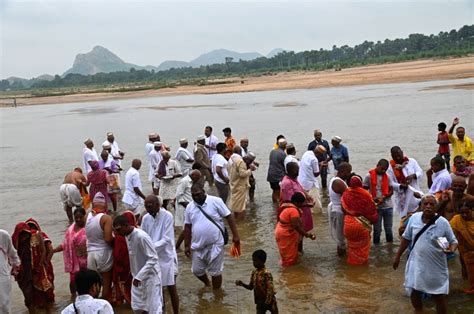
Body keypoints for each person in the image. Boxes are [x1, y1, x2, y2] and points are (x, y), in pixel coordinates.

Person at [393, 194, 458, 314]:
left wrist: (451, 249)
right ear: (421, 206)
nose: (428, 206)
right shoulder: (414, 218)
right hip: (416, 263)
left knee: (438, 295)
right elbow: (406, 238)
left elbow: (453, 241)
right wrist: (397, 256)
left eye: (431, 204)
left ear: (436, 206)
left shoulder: (443, 222)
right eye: (425, 204)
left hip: (436, 265)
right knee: (415, 290)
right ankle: (419, 311)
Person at [184, 184, 240, 289]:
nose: (196, 197)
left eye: (198, 194)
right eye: (193, 195)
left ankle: (217, 294)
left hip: (216, 243)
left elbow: (229, 216)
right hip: (198, 245)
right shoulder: (189, 207)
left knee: (215, 272)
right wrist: (187, 245)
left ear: (203, 191)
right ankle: (207, 283)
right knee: (197, 270)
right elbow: (187, 226)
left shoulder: (216, 201)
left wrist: (235, 235)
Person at [113, 215, 163, 314]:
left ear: (126, 225)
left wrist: (139, 276)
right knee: (137, 307)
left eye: (119, 230)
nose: (117, 233)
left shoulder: (141, 236)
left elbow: (153, 258)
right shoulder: (127, 236)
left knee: (154, 309)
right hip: (136, 277)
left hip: (150, 277)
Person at [142, 195, 179, 314]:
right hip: (152, 257)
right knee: (158, 289)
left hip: (166, 256)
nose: (148, 208)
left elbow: (167, 239)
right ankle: (161, 311)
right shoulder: (145, 218)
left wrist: (150, 247)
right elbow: (143, 237)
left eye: (150, 205)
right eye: (146, 206)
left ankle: (176, 312)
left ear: (158, 205)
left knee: (171, 287)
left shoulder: (167, 216)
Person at [12, 222, 55, 310]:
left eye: (26, 235)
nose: (24, 238)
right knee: (29, 296)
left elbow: (47, 251)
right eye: (22, 236)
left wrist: (42, 264)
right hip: (25, 272)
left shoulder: (37, 236)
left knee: (44, 292)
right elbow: (12, 257)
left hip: (38, 268)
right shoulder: (15, 242)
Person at [341, 176, 378, 265]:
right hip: (361, 225)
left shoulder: (345, 193)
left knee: (352, 248)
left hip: (348, 224)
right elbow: (371, 209)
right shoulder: (365, 194)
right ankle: (361, 270)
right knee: (363, 249)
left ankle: (352, 268)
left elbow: (343, 208)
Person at [280, 162, 314, 252]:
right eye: (297, 170)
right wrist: (306, 204)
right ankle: (297, 254)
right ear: (292, 171)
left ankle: (300, 253)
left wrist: (308, 196)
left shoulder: (293, 179)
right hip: (295, 212)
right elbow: (290, 202)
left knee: (300, 235)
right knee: (297, 233)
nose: (298, 172)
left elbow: (300, 188)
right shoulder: (286, 183)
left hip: (301, 210)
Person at [53, 208, 88, 297]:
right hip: (73, 263)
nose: (78, 219)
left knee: (86, 283)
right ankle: (73, 298)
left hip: (86, 262)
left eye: (80, 217)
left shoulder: (88, 228)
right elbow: (65, 244)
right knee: (73, 282)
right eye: (76, 217)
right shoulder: (70, 230)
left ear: (85, 216)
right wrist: (53, 251)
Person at [85, 192, 114, 301]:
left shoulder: (87, 216)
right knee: (106, 282)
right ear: (105, 205)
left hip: (90, 254)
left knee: (94, 285)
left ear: (93, 204)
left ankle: (93, 305)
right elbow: (108, 239)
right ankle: (104, 305)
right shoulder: (106, 218)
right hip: (103, 253)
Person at [275, 192, 316, 267]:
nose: (302, 205)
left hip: (280, 230)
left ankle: (286, 272)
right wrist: (308, 235)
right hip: (285, 234)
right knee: (289, 257)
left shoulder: (288, 205)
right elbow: (296, 227)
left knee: (286, 254)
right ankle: (289, 273)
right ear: (296, 202)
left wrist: (307, 205)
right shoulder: (294, 211)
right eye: (301, 203)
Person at [235, 249, 278, 314]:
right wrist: (242, 284)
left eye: (256, 261)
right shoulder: (254, 273)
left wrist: (267, 303)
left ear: (263, 261)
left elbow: (270, 289)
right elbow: (250, 287)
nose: (254, 263)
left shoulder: (267, 273)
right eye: (253, 260)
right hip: (260, 302)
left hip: (270, 301)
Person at [387, 146, 423, 219]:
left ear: (402, 152)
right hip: (403, 199)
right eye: (395, 157)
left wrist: (413, 175)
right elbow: (391, 183)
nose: (398, 158)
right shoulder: (390, 167)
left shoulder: (411, 161)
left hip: (416, 195)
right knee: (405, 222)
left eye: (399, 155)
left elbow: (420, 172)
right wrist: (400, 186)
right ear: (392, 156)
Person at [363, 159, 394, 244]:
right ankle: (377, 251)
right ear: (377, 165)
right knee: (377, 230)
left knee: (389, 229)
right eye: (382, 169)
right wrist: (373, 198)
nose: (383, 171)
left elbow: (391, 190)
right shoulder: (368, 176)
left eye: (385, 169)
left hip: (388, 207)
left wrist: (384, 196)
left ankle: (390, 248)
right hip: (376, 207)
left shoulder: (387, 176)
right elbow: (364, 191)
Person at [112, 211, 136, 306]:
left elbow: (117, 255)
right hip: (132, 270)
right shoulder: (136, 233)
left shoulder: (119, 238)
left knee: (124, 292)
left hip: (123, 270)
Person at [328, 162, 352, 256]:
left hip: (337, 209)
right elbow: (347, 198)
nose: (349, 174)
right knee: (341, 239)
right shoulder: (338, 182)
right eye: (348, 172)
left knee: (341, 237)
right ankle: (341, 261)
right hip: (339, 211)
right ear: (342, 171)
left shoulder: (335, 179)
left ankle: (341, 264)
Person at [450, 200, 474, 294]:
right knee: (469, 273)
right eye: (462, 213)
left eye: (466, 212)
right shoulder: (457, 220)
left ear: (472, 210)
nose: (464, 215)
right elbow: (448, 230)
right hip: (466, 251)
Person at [175, 170, 202, 249]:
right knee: (186, 228)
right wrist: (188, 206)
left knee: (190, 227)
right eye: (197, 178)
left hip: (191, 207)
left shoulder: (193, 182)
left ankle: (186, 245)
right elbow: (178, 196)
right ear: (193, 175)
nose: (198, 180)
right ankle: (177, 246)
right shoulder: (184, 181)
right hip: (184, 208)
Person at [228, 151, 257, 218]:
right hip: (240, 186)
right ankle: (242, 222)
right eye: (250, 161)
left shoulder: (234, 158)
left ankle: (237, 220)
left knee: (235, 205)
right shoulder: (241, 162)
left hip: (234, 183)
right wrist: (250, 170)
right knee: (241, 207)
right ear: (248, 159)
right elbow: (242, 174)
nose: (250, 162)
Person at [298, 145, 322, 213]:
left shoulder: (307, 153)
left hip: (302, 181)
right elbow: (316, 174)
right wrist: (322, 166)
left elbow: (308, 166)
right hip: (311, 183)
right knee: (316, 206)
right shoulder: (314, 159)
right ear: (318, 154)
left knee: (306, 203)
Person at [0, 229, 20, 314]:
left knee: (4, 306)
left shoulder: (3, 235)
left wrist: (15, 267)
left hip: (2, 277)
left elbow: (13, 254)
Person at [267, 138, 287, 204]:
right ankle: (278, 207)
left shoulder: (272, 151)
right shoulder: (283, 154)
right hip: (278, 176)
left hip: (270, 175)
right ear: (284, 146)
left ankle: (274, 206)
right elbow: (285, 165)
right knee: (278, 192)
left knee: (274, 191)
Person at [240, 138, 259, 202]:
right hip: (243, 170)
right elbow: (244, 161)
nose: (246, 144)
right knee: (248, 185)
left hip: (248, 170)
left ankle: (251, 200)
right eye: (244, 142)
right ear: (241, 143)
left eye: (247, 142)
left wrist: (254, 162)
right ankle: (247, 201)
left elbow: (249, 160)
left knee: (252, 185)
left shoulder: (247, 151)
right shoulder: (240, 151)